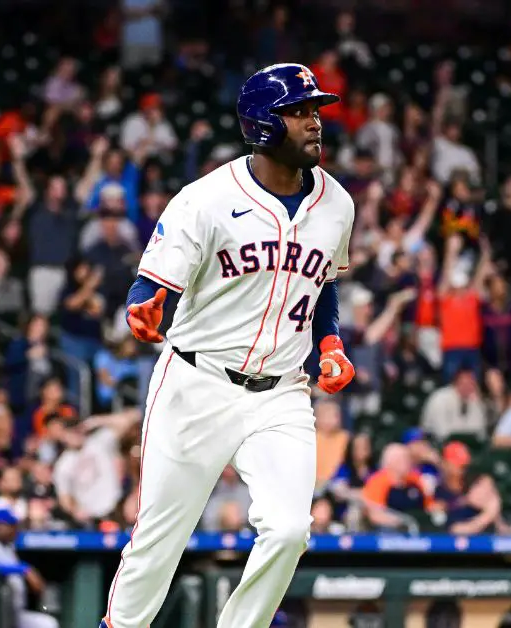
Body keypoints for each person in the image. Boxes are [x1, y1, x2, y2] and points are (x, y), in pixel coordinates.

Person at [105, 63, 356, 628]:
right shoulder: (207, 199)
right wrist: (143, 306)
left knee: (291, 530)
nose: (315, 122)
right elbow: (152, 285)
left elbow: (324, 285)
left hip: (281, 393)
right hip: (197, 382)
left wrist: (332, 343)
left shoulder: (338, 204)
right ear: (265, 125)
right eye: (300, 112)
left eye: (316, 110)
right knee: (158, 538)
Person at [0, 508, 58, 628]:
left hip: (13, 612)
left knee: (47, 624)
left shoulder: (8, 548)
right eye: (11, 526)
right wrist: (23, 569)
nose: (16, 530)